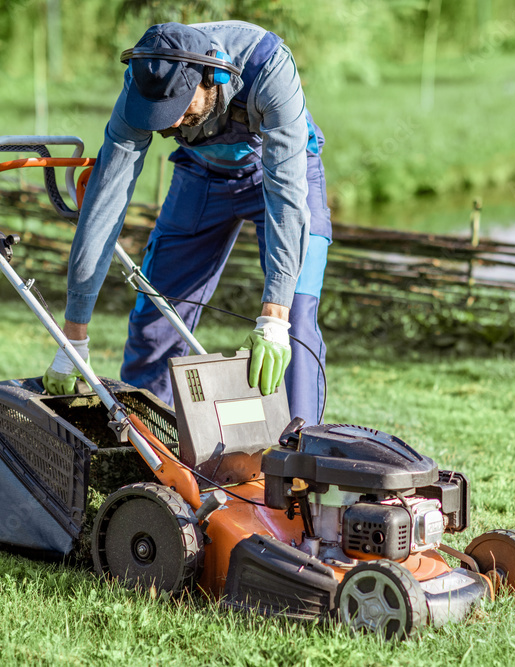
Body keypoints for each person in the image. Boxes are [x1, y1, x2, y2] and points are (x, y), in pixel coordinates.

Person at [42, 20, 330, 426]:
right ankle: (147, 448)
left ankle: (298, 465)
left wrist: (274, 317)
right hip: (200, 175)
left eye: (178, 109)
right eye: (159, 116)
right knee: (158, 311)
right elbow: (103, 206)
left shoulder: (268, 67)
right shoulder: (144, 79)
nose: (170, 126)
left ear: (212, 76)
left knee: (295, 318)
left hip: (285, 175)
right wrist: (74, 336)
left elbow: (287, 196)